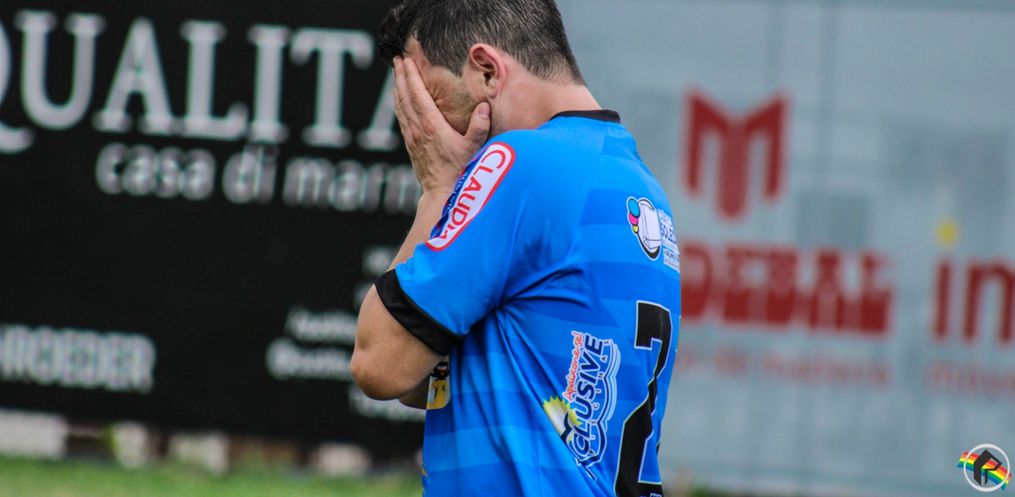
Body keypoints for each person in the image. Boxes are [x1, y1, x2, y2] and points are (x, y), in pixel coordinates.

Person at [351, 1, 681, 495]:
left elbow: (380, 364)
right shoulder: (638, 185)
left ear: (486, 71)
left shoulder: (520, 163)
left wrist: (438, 190)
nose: (425, 127)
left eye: (432, 99)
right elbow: (424, 383)